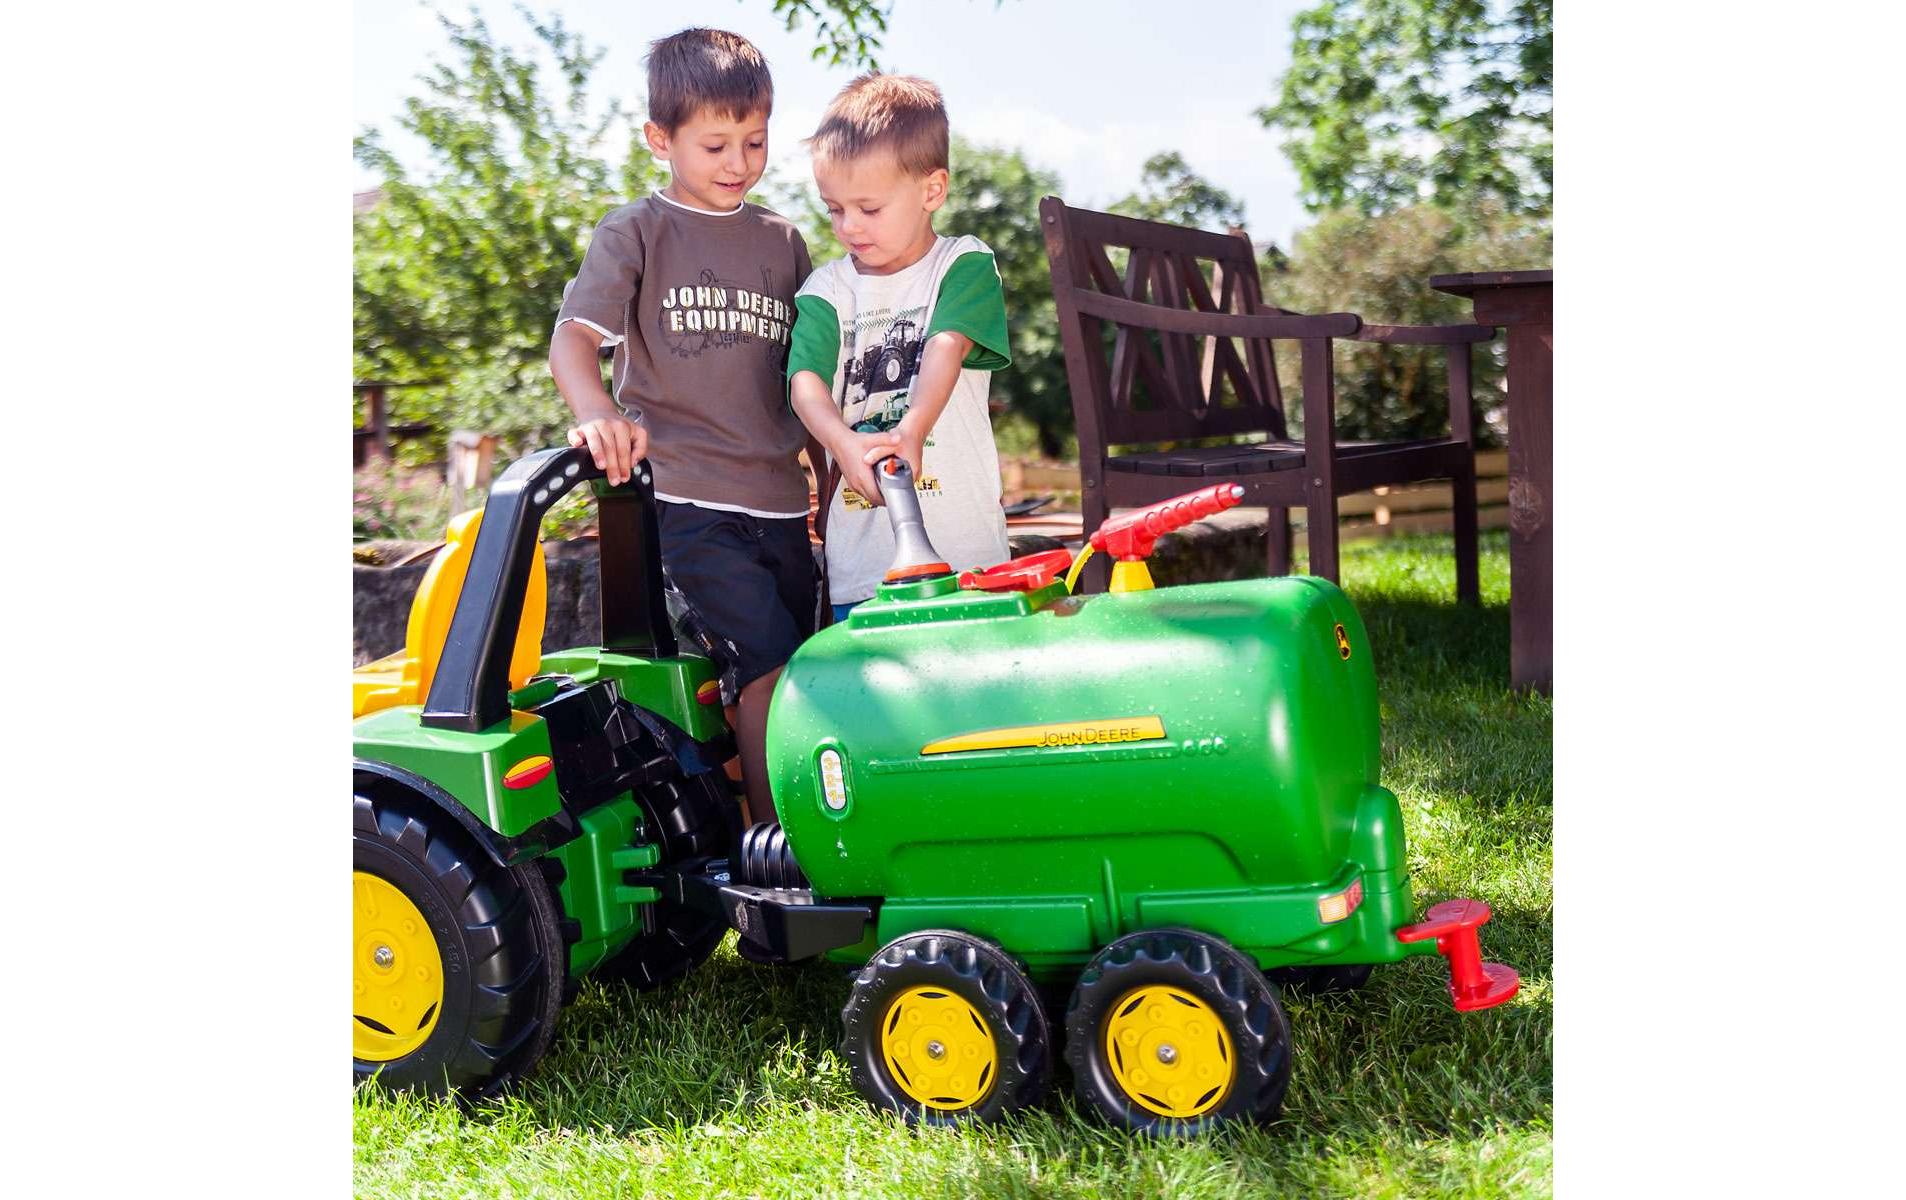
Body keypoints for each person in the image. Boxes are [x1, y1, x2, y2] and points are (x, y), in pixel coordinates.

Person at [549, 28, 812, 828]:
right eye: (715, 144)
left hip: (778, 501)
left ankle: (761, 830)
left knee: (796, 670)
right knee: (768, 668)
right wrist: (596, 410)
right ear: (660, 140)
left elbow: (810, 377)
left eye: (755, 141)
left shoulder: (783, 242)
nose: (738, 162)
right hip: (690, 500)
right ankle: (778, 858)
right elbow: (573, 338)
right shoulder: (636, 231)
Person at [785, 73, 1012, 622]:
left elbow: (946, 344)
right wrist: (842, 443)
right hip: (863, 563)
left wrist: (911, 430)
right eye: (835, 208)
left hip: (966, 554)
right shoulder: (827, 290)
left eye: (869, 208)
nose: (849, 227)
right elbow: (805, 383)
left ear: (932, 190)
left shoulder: (961, 264)